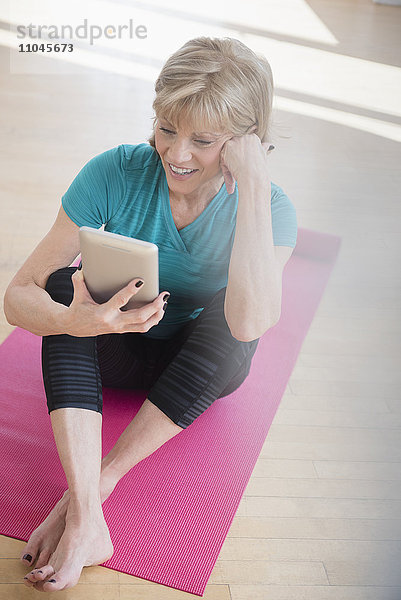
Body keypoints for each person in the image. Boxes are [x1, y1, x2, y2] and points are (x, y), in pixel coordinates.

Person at [4, 36, 297, 592]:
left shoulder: (271, 207)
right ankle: (89, 518)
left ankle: (98, 482)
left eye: (204, 141)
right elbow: (18, 297)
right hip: (118, 344)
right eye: (167, 128)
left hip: (196, 367)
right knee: (68, 288)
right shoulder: (115, 171)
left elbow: (251, 325)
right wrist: (79, 321)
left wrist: (254, 186)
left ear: (244, 144)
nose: (177, 154)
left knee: (236, 314)